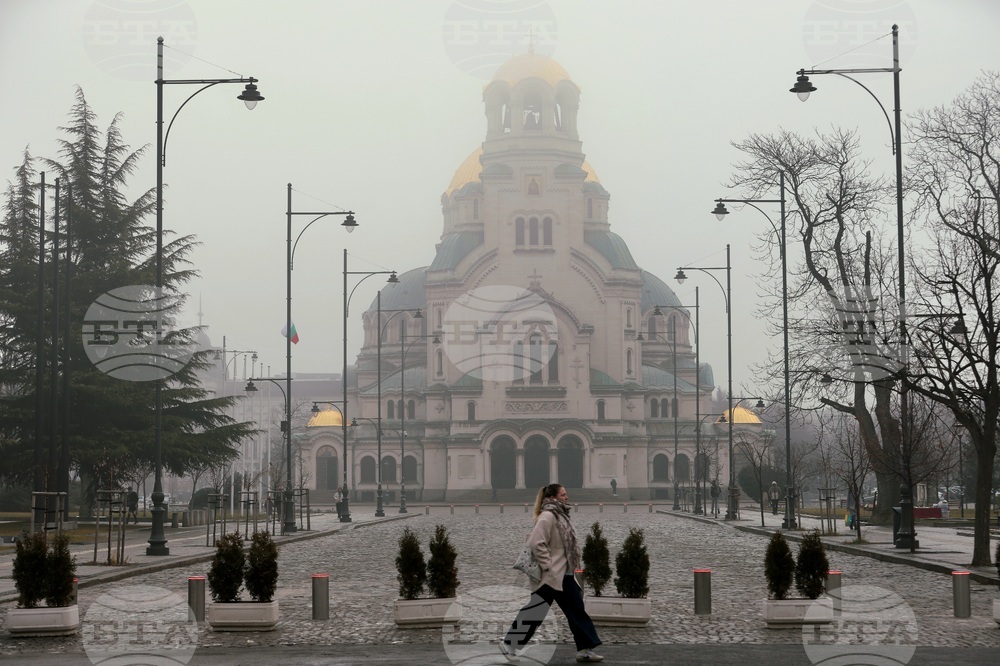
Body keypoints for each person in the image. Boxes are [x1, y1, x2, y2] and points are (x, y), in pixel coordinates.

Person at [500, 484, 603, 664]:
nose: (567, 497)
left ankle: (585, 649)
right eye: (563, 494)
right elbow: (535, 542)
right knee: (537, 611)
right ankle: (509, 644)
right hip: (553, 575)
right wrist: (548, 566)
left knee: (575, 610)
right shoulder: (548, 516)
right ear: (554, 497)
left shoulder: (561, 515)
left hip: (565, 574)